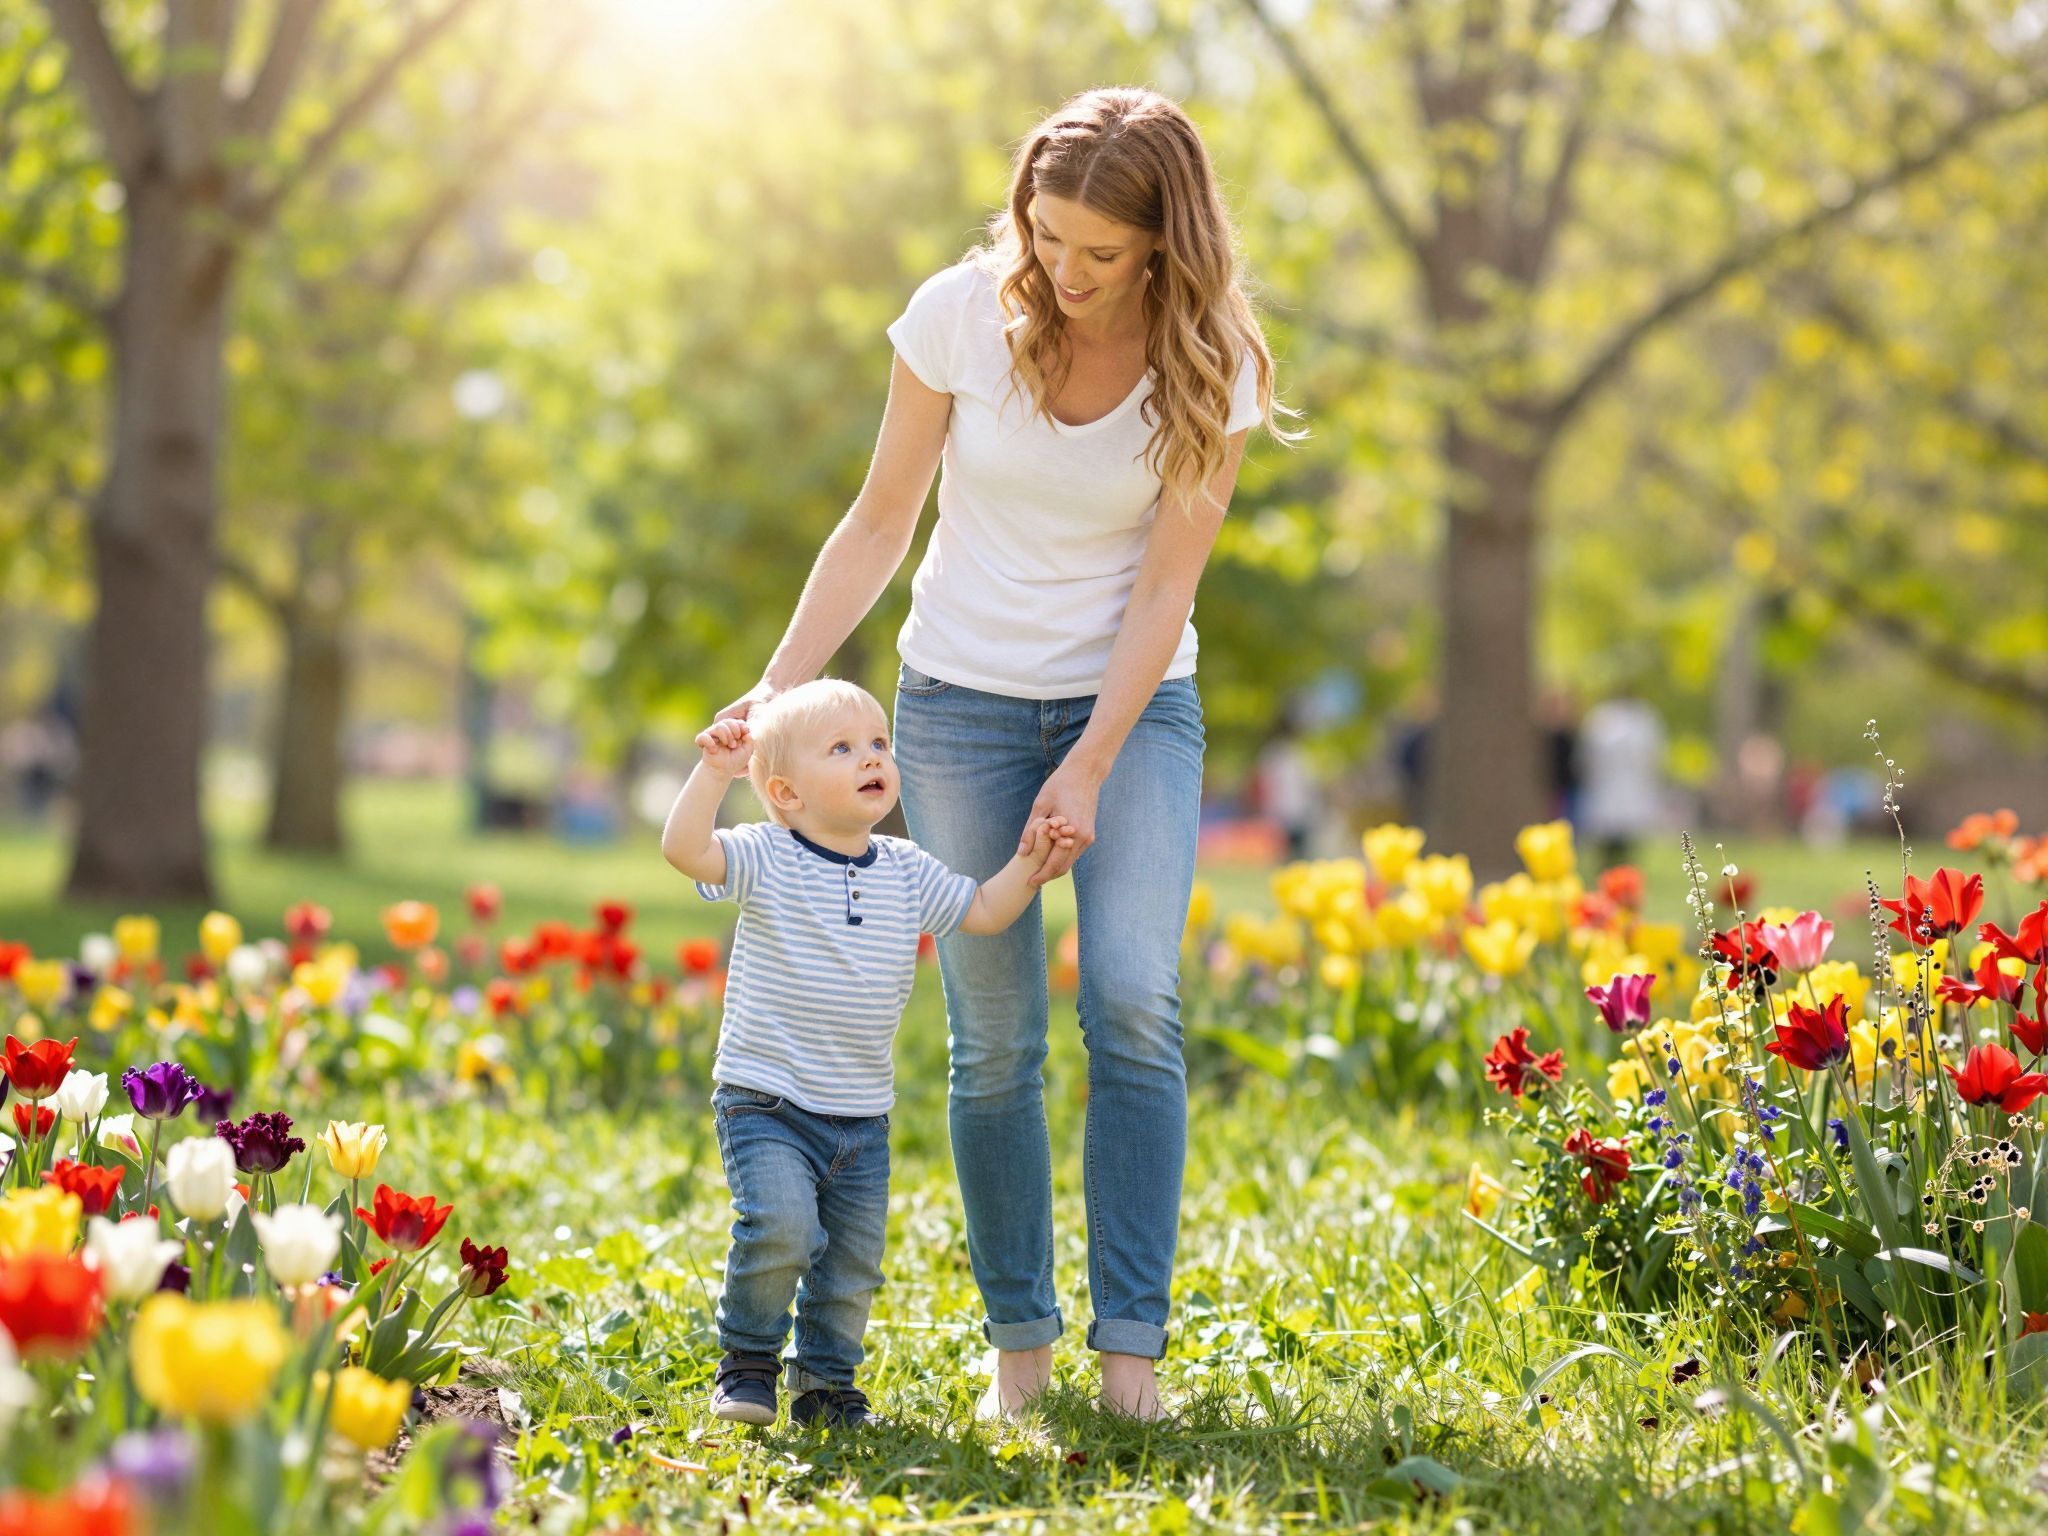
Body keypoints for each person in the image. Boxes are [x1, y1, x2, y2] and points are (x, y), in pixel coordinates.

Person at [711, 87, 1289, 1420]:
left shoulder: (1216, 359)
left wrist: (1088, 761)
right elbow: (877, 526)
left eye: (1101, 252)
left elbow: (1161, 594)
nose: (1067, 274)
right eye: (1048, 237)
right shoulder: (964, 315)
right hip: (960, 705)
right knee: (994, 1038)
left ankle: (1130, 1353)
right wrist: (776, 689)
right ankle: (1019, 1345)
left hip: (1133, 712)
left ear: (1164, 239)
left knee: (1135, 1002)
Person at [660, 679, 1073, 1428]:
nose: (871, 756)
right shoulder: (765, 854)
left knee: (850, 1268)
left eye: (879, 742)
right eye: (843, 747)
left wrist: (1031, 864)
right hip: (768, 1100)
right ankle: (747, 1359)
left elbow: (981, 911)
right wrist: (714, 775)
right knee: (780, 1227)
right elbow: (685, 850)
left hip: (862, 1118)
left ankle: (825, 1383)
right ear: (784, 791)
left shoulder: (906, 868)